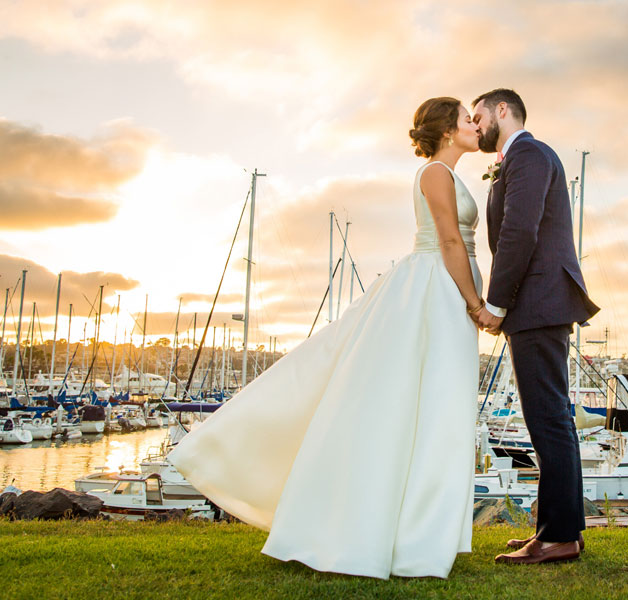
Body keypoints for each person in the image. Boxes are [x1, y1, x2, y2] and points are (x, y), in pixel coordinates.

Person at [168, 96, 484, 580]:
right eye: (466, 118)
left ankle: (414, 533)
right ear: (446, 130)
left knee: (434, 406)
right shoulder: (435, 174)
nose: (474, 124)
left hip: (444, 287)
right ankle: (398, 535)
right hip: (435, 288)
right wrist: (476, 303)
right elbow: (448, 241)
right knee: (420, 402)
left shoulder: (450, 173)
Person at [471, 88, 599, 565]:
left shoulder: (528, 154)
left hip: (538, 304)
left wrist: (497, 305)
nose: (474, 122)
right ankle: (561, 527)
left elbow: (518, 232)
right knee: (551, 419)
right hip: (542, 304)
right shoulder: (525, 157)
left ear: (501, 110)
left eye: (478, 114)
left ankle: (557, 538)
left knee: (547, 419)